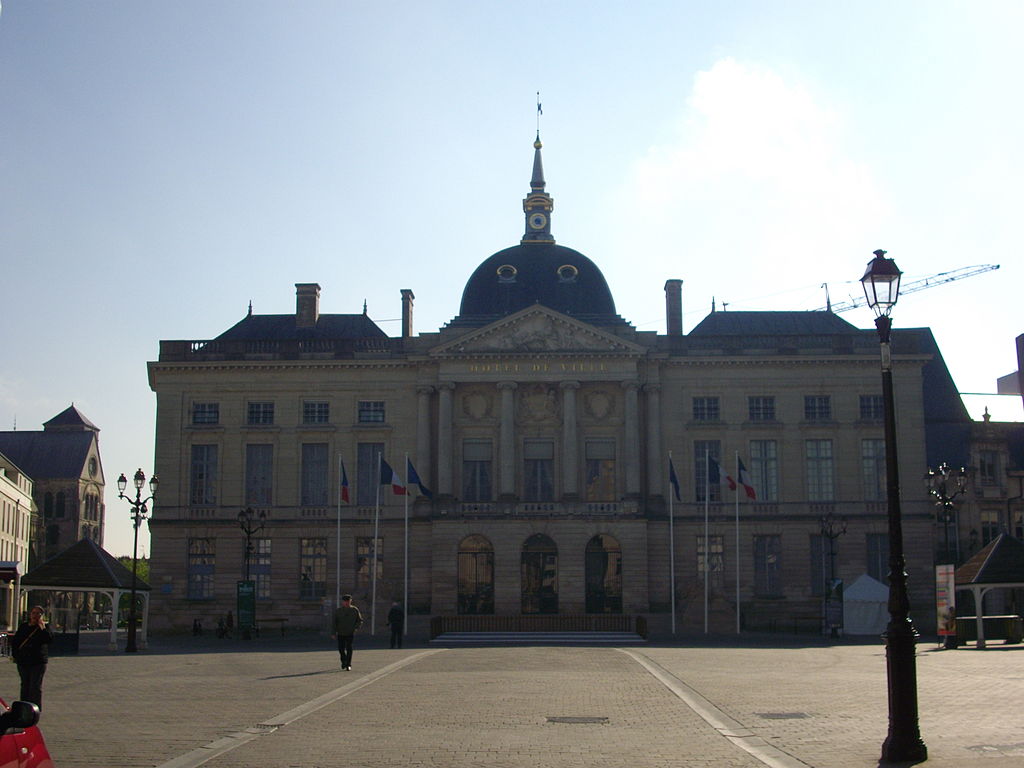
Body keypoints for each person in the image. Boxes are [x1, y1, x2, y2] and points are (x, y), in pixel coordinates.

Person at [11, 606, 53, 711]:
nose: (35, 616)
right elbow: (16, 642)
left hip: (38, 662)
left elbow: (49, 640)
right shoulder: (24, 626)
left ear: (42, 616)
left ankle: (35, 709)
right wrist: (16, 655)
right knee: (25, 685)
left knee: (35, 686)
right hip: (23, 661)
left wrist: (42, 628)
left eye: (38, 614)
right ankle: (23, 707)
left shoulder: (45, 628)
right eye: (34, 613)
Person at [331, 594, 362, 670]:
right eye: (345, 601)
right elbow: (334, 622)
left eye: (348, 601)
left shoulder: (354, 610)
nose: (347, 603)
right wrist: (333, 632)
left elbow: (359, 620)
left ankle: (348, 664)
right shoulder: (338, 611)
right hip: (341, 632)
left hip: (350, 632)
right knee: (341, 649)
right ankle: (344, 661)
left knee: (349, 648)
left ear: (350, 601)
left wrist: (355, 628)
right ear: (342, 602)